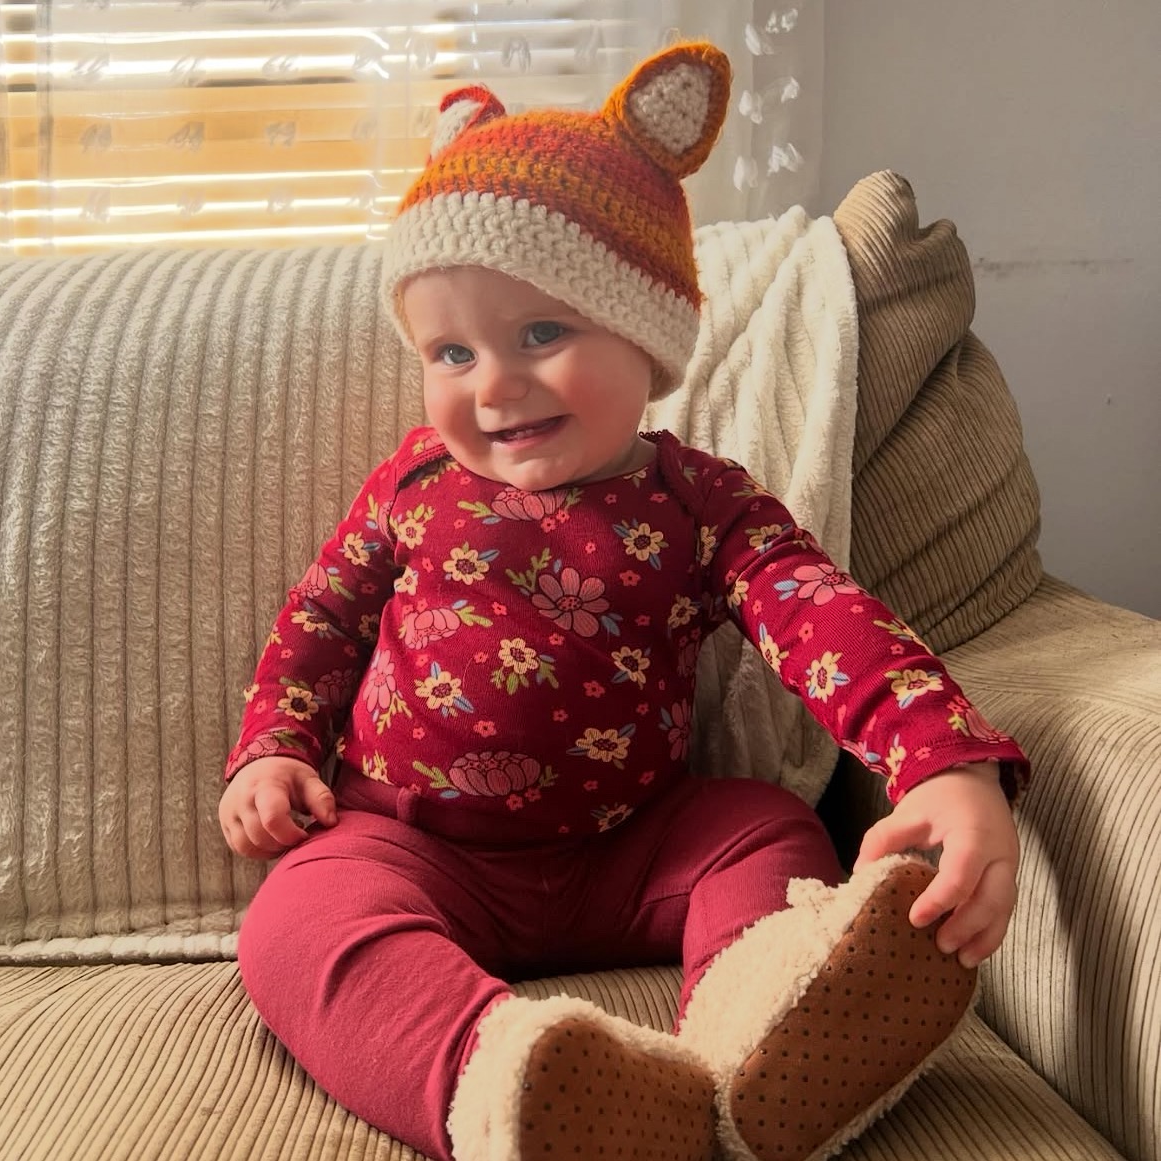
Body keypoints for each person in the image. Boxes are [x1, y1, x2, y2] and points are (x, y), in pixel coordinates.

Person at [220, 41, 1028, 1161]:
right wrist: (271, 750)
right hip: (410, 844)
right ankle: (506, 1080)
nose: (494, 384)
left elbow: (820, 615)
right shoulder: (411, 485)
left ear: (646, 337)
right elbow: (320, 622)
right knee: (293, 920)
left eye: (541, 334)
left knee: (765, 827)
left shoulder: (700, 503)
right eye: (450, 351)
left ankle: (757, 1048)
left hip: (634, 847)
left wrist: (942, 760)